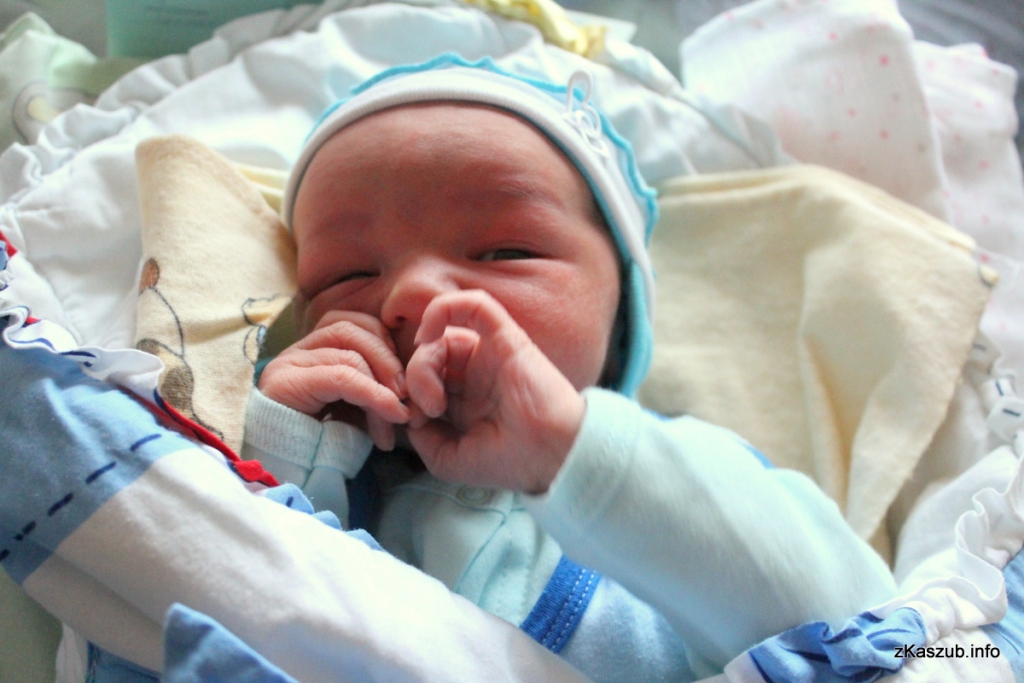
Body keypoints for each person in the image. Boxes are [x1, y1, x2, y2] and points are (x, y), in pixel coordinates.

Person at [242, 56, 896, 682]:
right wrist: (284, 444)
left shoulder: (679, 481)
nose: (412, 294)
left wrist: (569, 447)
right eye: (348, 274)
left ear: (621, 319)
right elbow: (230, 592)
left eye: (504, 251)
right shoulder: (335, 492)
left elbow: (867, 632)